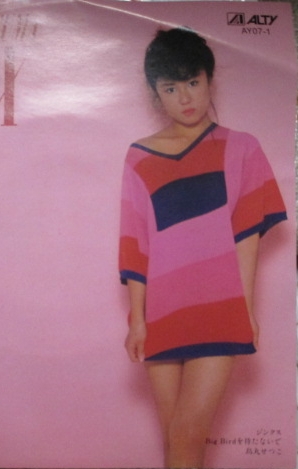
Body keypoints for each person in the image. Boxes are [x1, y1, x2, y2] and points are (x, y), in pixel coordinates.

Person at [118, 28, 287, 469]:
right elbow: (136, 243)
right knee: (174, 439)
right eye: (170, 88)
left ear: (210, 79)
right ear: (155, 94)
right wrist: (137, 319)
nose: (185, 98)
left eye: (193, 82)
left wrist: (245, 310)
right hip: (161, 312)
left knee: (187, 435)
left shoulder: (242, 148)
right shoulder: (139, 156)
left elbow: (246, 237)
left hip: (218, 308)